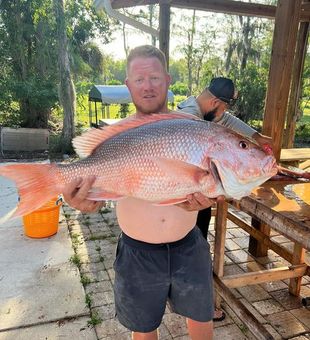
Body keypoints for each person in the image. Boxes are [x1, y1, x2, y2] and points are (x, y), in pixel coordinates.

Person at [63, 45, 221, 340]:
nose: (147, 86)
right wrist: (82, 201)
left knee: (202, 323)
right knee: (144, 330)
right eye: (139, 79)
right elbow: (95, 194)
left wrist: (212, 196)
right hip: (137, 253)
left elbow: (216, 181)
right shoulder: (116, 133)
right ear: (128, 84)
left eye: (155, 78)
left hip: (189, 247)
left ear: (168, 80)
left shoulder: (190, 128)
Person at [177, 77, 273, 322]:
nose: (224, 114)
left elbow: (227, 121)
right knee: (195, 249)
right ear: (214, 101)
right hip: (189, 198)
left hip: (196, 192)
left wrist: (255, 136)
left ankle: (193, 302)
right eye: (223, 108)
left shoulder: (204, 111)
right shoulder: (190, 119)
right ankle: (199, 306)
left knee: (194, 247)